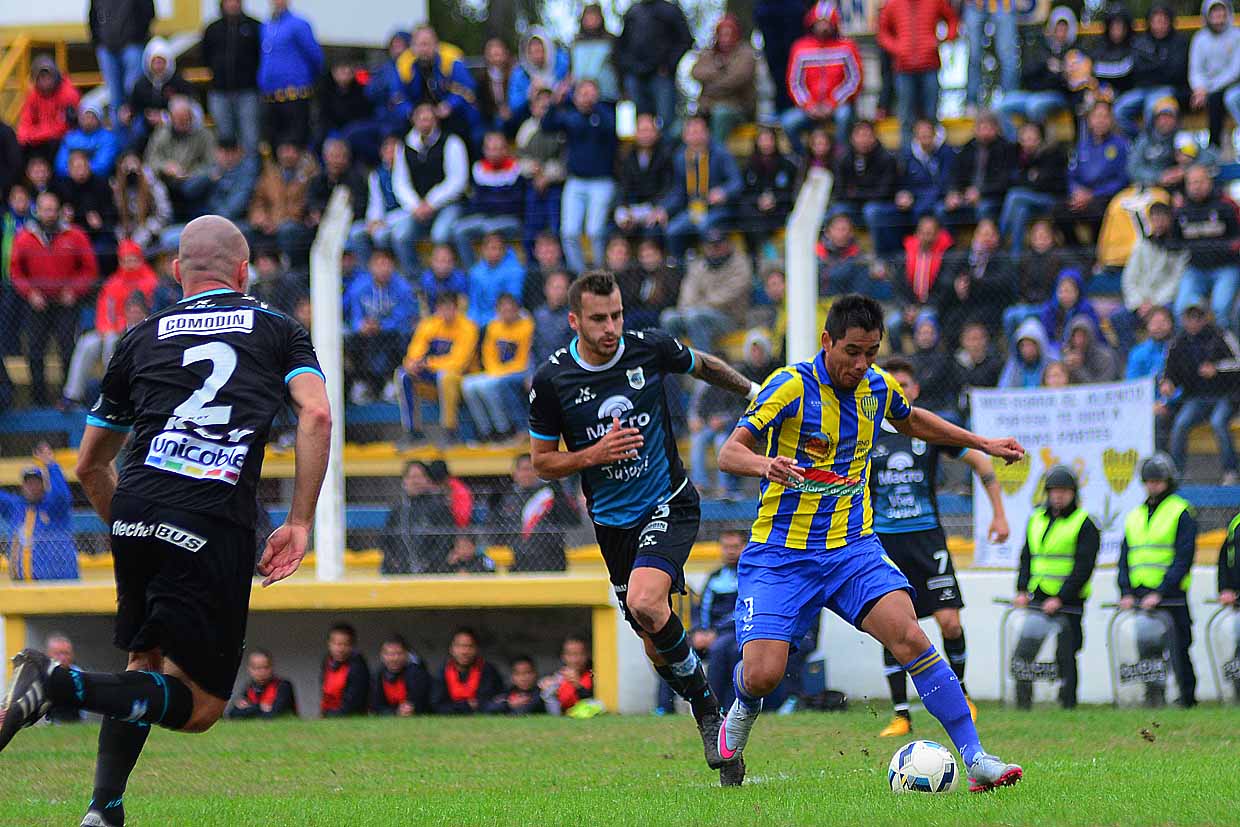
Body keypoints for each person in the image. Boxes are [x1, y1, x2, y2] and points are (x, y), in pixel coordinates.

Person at [0, 215, 331, 827]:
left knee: (144, 662)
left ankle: (103, 811)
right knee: (201, 706)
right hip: (211, 513)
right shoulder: (279, 329)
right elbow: (315, 416)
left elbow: (88, 465)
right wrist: (302, 520)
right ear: (243, 271)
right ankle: (55, 685)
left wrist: (134, 526)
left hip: (137, 505)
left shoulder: (139, 337)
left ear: (177, 273)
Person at [715, 294, 1025, 792]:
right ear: (827, 342)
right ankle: (744, 704)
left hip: (850, 550)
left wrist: (982, 443)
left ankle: (976, 758)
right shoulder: (788, 386)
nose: (861, 364)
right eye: (852, 352)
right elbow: (730, 452)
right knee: (764, 675)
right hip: (779, 554)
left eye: (871, 353)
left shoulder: (876, 388)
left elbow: (914, 419)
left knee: (913, 639)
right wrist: (764, 465)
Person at [528, 271, 760, 786]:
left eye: (616, 315)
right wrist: (593, 454)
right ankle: (710, 710)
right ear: (574, 321)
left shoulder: (648, 347)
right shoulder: (552, 380)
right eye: (598, 319)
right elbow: (542, 462)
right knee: (655, 643)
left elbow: (703, 364)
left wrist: (753, 391)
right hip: (612, 525)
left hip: (668, 502)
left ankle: (706, 715)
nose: (611, 327)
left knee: (647, 603)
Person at [871, 358, 1008, 735]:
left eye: (905, 384)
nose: (900, 390)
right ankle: (901, 713)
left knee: (949, 621)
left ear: (915, 390)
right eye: (892, 384)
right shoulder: (868, 434)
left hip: (928, 538)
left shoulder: (924, 429)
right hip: (884, 541)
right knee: (893, 624)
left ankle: (961, 694)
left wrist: (998, 513)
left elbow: (979, 460)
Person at [1012, 465, 1099, 709]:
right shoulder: (1036, 519)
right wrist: (1021, 589)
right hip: (1038, 597)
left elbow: (1084, 567)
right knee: (1024, 653)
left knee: (1066, 655)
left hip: (1068, 602)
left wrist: (1061, 598)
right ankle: (1023, 703)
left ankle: (1067, 704)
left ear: (1073, 493)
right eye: (1054, 491)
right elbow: (1027, 556)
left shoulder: (1084, 523)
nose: (1058, 496)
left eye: (1064, 491)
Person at [1118, 454, 1199, 707]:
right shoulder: (1135, 515)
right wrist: (1126, 591)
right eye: (1148, 481)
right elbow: (1125, 556)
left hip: (1170, 595)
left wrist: (1162, 592)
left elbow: (1183, 558)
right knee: (1147, 649)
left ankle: (1186, 697)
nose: (1152, 485)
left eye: (1157, 480)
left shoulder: (1180, 511)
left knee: (1179, 647)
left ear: (1168, 481)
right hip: (1142, 593)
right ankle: (1154, 694)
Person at [10, 190, 99, 406]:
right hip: (37, 304)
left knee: (68, 349)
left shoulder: (75, 235)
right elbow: (15, 270)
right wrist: (30, 292)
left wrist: (73, 290)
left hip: (66, 303)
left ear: (58, 210)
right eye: (44, 209)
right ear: (37, 210)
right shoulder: (24, 237)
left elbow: (89, 269)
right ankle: (37, 399)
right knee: (35, 352)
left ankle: (68, 398)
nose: (49, 213)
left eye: (52, 209)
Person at [63, 238, 158, 407]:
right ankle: (72, 395)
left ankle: (113, 393)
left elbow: (153, 311)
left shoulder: (151, 282)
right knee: (87, 343)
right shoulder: (113, 283)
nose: (129, 264)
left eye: (133, 259)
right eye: (126, 260)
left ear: (140, 259)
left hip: (141, 331)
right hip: (114, 329)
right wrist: (108, 328)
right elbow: (103, 313)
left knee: (112, 342)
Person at [541, 80, 618, 275]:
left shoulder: (606, 112)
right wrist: (556, 101)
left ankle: (600, 272)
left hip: (601, 182)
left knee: (594, 232)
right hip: (576, 181)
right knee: (568, 233)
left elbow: (611, 129)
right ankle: (581, 275)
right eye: (581, 93)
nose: (585, 97)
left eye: (589, 93)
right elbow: (546, 126)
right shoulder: (571, 116)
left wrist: (595, 106)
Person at [690, 331, 776, 501]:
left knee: (722, 442)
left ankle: (726, 488)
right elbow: (703, 406)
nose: (756, 354)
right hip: (714, 424)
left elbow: (738, 407)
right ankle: (700, 485)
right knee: (698, 440)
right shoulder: (712, 386)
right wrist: (706, 419)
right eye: (753, 350)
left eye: (759, 350)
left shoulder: (767, 372)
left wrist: (723, 420)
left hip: (733, 424)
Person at [1164, 302, 1240, 484]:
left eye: (1198, 317)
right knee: (1180, 424)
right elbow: (1170, 372)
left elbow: (1237, 363)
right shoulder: (1177, 343)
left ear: (1206, 318)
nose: (1193, 322)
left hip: (1225, 395)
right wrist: (1168, 383)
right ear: (1183, 320)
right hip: (1196, 397)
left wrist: (1217, 369)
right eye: (1190, 318)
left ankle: (1231, 471)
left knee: (1218, 423)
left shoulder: (1221, 335)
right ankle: (1177, 473)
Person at [390, 104, 468, 278]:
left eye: (429, 118)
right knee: (400, 235)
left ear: (436, 120)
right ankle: (417, 281)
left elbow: (457, 181)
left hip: (449, 205)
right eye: (421, 118)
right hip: (417, 208)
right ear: (414, 120)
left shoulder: (452, 142)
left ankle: (451, 281)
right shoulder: (403, 146)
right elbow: (400, 183)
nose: (425, 122)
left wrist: (431, 202)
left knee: (440, 235)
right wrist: (416, 205)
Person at [397, 291, 479, 443]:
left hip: (461, 378)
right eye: (443, 308)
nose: (447, 313)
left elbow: (459, 363)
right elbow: (415, 352)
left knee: (445, 376)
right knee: (403, 375)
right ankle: (412, 431)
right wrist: (412, 363)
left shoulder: (468, 327)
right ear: (437, 309)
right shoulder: (428, 325)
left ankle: (449, 430)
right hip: (431, 376)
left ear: (457, 308)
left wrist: (428, 363)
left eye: (450, 308)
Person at [781, 2, 862, 152]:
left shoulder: (847, 47)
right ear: (812, 24)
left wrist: (833, 102)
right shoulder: (800, 48)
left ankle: (840, 156)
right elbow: (794, 82)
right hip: (810, 107)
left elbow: (854, 80)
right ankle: (804, 157)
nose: (824, 27)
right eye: (820, 23)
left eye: (827, 23)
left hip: (838, 105)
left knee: (844, 117)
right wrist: (809, 105)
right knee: (787, 122)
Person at [877, 0, 957, 146]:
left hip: (929, 65)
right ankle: (908, 160)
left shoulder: (935, 2)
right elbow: (882, 32)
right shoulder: (893, 4)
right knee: (906, 117)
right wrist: (897, 48)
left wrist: (943, 40)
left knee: (931, 114)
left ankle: (933, 157)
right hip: (903, 68)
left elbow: (952, 20)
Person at [870, 119, 956, 254]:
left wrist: (951, 194)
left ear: (934, 134)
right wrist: (902, 194)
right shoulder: (904, 155)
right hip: (912, 203)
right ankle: (894, 257)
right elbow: (898, 183)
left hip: (937, 201)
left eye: (928, 133)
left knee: (941, 211)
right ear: (915, 136)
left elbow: (949, 181)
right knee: (879, 214)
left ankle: (947, 257)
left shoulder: (947, 153)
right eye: (921, 134)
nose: (925, 137)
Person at [343, 246, 417, 404]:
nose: (382, 269)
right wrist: (361, 325)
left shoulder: (402, 287)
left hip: (391, 332)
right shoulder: (359, 287)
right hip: (366, 333)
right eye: (378, 264)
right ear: (370, 266)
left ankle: (392, 382)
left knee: (400, 337)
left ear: (393, 266)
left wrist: (381, 325)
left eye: (386, 264)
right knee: (351, 338)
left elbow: (403, 317)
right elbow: (354, 315)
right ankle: (362, 383)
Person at [662, 115, 742, 259]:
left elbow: (736, 182)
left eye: (698, 132)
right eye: (691, 133)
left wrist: (723, 192)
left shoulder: (720, 153)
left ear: (707, 133)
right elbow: (679, 191)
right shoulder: (681, 158)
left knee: (705, 226)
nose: (695, 137)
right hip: (692, 210)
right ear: (684, 136)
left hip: (718, 209)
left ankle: (712, 268)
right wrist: (664, 209)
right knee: (672, 230)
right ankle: (682, 269)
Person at [1170, 165, 1240, 325]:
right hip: (1195, 269)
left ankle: (1227, 348)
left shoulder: (1226, 206)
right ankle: (1184, 349)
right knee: (1181, 309)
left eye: (1200, 182)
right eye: (1192, 183)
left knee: (1221, 309)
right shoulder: (1181, 211)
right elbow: (1174, 242)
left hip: (1226, 267)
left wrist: (1226, 247)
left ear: (1209, 182)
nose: (1196, 187)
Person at [660, 229, 751, 351]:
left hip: (730, 319)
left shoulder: (740, 263)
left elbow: (725, 297)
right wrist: (690, 308)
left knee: (696, 317)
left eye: (719, 244)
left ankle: (703, 366)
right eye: (711, 245)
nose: (715, 249)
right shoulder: (698, 265)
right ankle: (673, 364)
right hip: (695, 313)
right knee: (668, 317)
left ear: (727, 244)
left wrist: (698, 307)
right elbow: (687, 293)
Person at [462, 293, 533, 441]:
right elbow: (488, 355)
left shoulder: (527, 326)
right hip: (495, 371)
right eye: (503, 309)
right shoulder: (493, 327)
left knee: (489, 386)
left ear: (517, 310)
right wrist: (495, 371)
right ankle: (486, 431)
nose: (506, 313)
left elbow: (524, 358)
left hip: (519, 371)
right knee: (468, 384)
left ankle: (503, 429)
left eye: (510, 309)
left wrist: (500, 372)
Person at [1056, 101, 1129, 247]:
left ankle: (1097, 252)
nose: (1100, 121)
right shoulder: (1082, 145)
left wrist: (1093, 194)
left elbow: (1122, 179)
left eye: (1104, 116)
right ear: (1089, 120)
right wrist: (1076, 192)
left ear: (1111, 120)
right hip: (1081, 196)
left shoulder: (1121, 145)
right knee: (1059, 210)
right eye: (1097, 116)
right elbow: (1071, 175)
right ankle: (1077, 252)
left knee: (1098, 212)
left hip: (1104, 197)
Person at [614, 0, 692, 136]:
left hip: (660, 76)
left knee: (666, 121)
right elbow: (622, 45)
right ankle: (641, 156)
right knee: (638, 122)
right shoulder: (633, 12)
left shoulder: (670, 11)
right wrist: (628, 67)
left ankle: (666, 155)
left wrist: (668, 65)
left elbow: (685, 40)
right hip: (635, 75)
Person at [489, 453, 577, 572]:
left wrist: (558, 489)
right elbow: (496, 530)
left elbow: (572, 520)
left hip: (551, 560)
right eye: (523, 469)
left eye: (530, 469)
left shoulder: (550, 494)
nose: (527, 474)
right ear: (514, 473)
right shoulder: (505, 498)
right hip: (518, 562)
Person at [995, 7, 1074, 139]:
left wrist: (1060, 71)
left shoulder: (1074, 51)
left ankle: (1037, 145)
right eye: (1058, 28)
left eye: (1064, 29)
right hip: (1033, 94)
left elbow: (1069, 85)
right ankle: (1017, 144)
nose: (1060, 33)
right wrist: (1046, 66)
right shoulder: (1040, 47)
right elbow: (1026, 74)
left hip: (1057, 97)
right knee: (1002, 105)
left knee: (1035, 106)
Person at [1, 443, 75, 581]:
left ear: (44, 485)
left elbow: (61, 495)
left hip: (58, 581)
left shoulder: (54, 507)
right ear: (23, 486)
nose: (32, 487)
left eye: (37, 483)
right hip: (23, 583)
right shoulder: (15, 506)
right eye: (28, 483)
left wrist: (51, 465)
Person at [395, 25, 480, 144]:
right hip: (418, 117)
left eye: (428, 44)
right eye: (420, 44)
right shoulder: (405, 66)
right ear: (412, 47)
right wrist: (412, 112)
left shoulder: (451, 62)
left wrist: (449, 105)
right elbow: (397, 97)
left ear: (436, 45)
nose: (424, 49)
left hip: (452, 116)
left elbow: (468, 90)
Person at [1116, 4, 1189, 139]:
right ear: (1150, 22)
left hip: (1167, 89)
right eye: (1156, 21)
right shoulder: (1141, 41)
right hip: (1142, 89)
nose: (1159, 25)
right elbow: (1137, 70)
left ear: (1169, 21)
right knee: (1119, 109)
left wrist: (1152, 66)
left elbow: (1176, 72)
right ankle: (1140, 143)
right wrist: (1160, 65)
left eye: (1163, 21)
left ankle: (1151, 147)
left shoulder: (1179, 41)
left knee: (1152, 109)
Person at [257, 0, 323, 149]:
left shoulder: (299, 24)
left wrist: (303, 80)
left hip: (294, 96)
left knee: (296, 143)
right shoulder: (266, 26)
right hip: (270, 97)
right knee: (273, 144)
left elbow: (316, 58)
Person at [453, 132, 525, 268]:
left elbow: (516, 203)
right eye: (490, 149)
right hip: (484, 218)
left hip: (509, 220)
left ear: (506, 149)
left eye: (498, 148)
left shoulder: (516, 169)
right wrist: (500, 200)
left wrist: (492, 202)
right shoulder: (479, 169)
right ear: (484, 150)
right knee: (459, 230)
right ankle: (473, 271)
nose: (494, 153)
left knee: (490, 229)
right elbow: (477, 203)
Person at [202, 0, 262, 158]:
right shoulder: (212, 29)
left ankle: (248, 178)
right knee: (225, 140)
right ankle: (228, 179)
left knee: (250, 139)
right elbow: (206, 57)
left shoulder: (254, 27)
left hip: (247, 92)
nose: (233, 4)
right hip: (220, 92)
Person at [997, 122, 1068, 254]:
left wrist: (1029, 180)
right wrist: (1030, 179)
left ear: (1040, 138)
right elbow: (1010, 180)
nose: (1029, 141)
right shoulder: (1017, 155)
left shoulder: (1051, 153)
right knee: (1020, 211)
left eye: (1033, 137)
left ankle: (998, 238)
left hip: (1053, 200)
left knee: (1014, 195)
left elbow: (1046, 184)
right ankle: (1015, 257)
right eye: (1025, 138)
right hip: (1030, 202)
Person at [145, 97, 219, 219]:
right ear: (171, 118)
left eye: (186, 120)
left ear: (192, 117)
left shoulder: (204, 135)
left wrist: (190, 173)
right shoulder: (162, 133)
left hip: (193, 183)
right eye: (179, 120)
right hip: (167, 181)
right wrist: (166, 167)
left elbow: (212, 165)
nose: (182, 124)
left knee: (193, 187)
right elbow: (151, 159)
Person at [246, 141, 319, 266]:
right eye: (284, 149)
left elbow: (303, 206)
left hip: (296, 224)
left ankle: (287, 267)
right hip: (269, 223)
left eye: (291, 150)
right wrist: (260, 218)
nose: (287, 154)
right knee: (243, 230)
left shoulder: (309, 175)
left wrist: (277, 222)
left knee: (287, 230)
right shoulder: (271, 173)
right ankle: (252, 270)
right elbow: (258, 200)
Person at [937, 112, 1014, 228]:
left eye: (988, 128)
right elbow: (955, 174)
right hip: (966, 195)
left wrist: (981, 192)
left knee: (984, 208)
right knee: (941, 209)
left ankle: (987, 244)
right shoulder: (967, 147)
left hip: (993, 197)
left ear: (997, 129)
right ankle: (948, 245)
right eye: (981, 128)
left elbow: (1005, 182)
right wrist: (953, 192)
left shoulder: (1005, 149)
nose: (985, 132)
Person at [691, 14, 757, 145]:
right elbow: (696, 72)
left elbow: (736, 79)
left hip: (738, 108)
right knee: (679, 128)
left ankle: (716, 157)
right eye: (722, 34)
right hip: (707, 109)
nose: (725, 39)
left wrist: (711, 84)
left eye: (729, 34)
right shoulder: (709, 53)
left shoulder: (746, 53)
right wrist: (720, 71)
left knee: (721, 114)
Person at [379, 460, 454, 574]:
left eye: (419, 477)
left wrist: (428, 562)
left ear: (427, 480)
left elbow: (446, 540)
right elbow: (386, 540)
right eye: (411, 477)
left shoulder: (438, 507)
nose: (415, 481)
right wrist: (395, 561)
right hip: (400, 569)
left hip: (431, 571)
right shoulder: (398, 509)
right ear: (404, 481)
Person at [737, 125, 797, 258]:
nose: (766, 143)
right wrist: (758, 201)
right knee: (747, 216)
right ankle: (762, 253)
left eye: (769, 139)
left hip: (780, 210)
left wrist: (775, 200)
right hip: (756, 212)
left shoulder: (787, 165)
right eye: (762, 139)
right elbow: (745, 193)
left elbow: (792, 192)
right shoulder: (749, 166)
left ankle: (765, 254)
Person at [127, 39, 195, 153]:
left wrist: (164, 117)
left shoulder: (179, 83)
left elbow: (191, 110)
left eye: (161, 62)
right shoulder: (141, 84)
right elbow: (135, 107)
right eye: (155, 62)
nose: (158, 66)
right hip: (147, 126)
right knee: (135, 129)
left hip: (174, 125)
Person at [90, 0, 154, 118]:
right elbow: (93, 16)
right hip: (107, 48)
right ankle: (120, 135)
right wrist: (98, 42)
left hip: (132, 46)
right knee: (114, 97)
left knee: (134, 93)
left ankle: (137, 134)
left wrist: (137, 37)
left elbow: (148, 12)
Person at [1189, 0, 1240, 149]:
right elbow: (1195, 69)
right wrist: (1199, 88)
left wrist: (1208, 89)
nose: (1218, 16)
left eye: (1221, 11)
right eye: (1214, 12)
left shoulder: (1237, 36)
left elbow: (1235, 71)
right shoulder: (1199, 39)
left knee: (1224, 98)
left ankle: (1214, 147)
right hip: (1204, 90)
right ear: (1207, 15)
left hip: (1232, 85)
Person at [614, 113, 673, 240]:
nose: (646, 135)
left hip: (655, 207)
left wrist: (655, 209)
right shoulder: (627, 157)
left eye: (649, 130)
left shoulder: (666, 155)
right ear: (635, 133)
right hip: (633, 208)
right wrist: (625, 209)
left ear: (657, 133)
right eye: (642, 130)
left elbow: (668, 187)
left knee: (654, 230)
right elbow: (623, 187)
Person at [16, 57, 81, 162]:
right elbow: (24, 124)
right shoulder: (33, 95)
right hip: (41, 137)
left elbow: (65, 127)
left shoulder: (69, 94)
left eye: (48, 76)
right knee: (20, 146)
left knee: (53, 144)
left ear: (56, 76)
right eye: (41, 77)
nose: (45, 81)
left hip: (62, 139)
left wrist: (35, 135)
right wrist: (29, 137)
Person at [962, 0, 1018, 113]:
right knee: (973, 54)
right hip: (975, 4)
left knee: (1007, 56)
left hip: (1003, 4)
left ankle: (1010, 101)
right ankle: (972, 102)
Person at [432, 628, 504, 714]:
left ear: (476, 649)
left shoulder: (488, 670)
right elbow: (437, 707)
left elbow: (496, 701)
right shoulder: (442, 672)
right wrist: (465, 705)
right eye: (459, 646)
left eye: (470, 646)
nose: (464, 651)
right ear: (451, 649)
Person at [112, 150, 173, 252]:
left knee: (139, 241)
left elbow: (164, 214)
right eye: (126, 166)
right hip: (130, 227)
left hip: (152, 226)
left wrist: (148, 229)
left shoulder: (154, 185)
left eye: (133, 164)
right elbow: (118, 217)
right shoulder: (117, 187)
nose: (131, 169)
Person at [467, 232, 525, 328]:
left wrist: (495, 320)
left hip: (506, 315)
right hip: (482, 317)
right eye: (492, 248)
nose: (495, 253)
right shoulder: (475, 272)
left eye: (499, 249)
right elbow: (474, 303)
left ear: (504, 251)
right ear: (483, 250)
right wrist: (473, 320)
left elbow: (514, 300)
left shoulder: (515, 271)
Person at [509, 28, 570, 115]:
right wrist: (529, 94)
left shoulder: (562, 64)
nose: (537, 56)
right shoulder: (521, 74)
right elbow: (514, 104)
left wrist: (558, 92)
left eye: (540, 50)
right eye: (532, 52)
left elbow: (573, 92)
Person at [570, 5, 620, 109]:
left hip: (606, 96)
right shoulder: (576, 43)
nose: (591, 20)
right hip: (581, 98)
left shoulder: (610, 41)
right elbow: (572, 70)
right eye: (588, 17)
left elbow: (618, 66)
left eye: (594, 16)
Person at [54, 103, 120, 179]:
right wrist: (75, 173)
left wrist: (81, 172)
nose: (88, 121)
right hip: (70, 179)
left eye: (92, 117)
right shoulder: (70, 137)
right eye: (84, 117)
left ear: (99, 119)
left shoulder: (108, 138)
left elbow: (104, 166)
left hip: (98, 179)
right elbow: (60, 165)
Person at [370, 634, 431, 716]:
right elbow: (376, 707)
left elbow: (423, 702)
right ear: (382, 656)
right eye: (390, 654)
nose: (395, 658)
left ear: (406, 655)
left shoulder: (417, 673)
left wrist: (412, 708)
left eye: (399, 653)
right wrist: (395, 712)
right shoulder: (377, 676)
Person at [227, 649, 297, 719]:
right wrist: (260, 707)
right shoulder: (250, 688)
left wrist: (249, 709)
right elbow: (233, 713)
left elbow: (275, 714)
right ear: (250, 669)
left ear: (271, 667)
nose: (262, 672)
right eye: (257, 668)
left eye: (266, 667)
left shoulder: (283, 686)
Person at [320, 623, 369, 717]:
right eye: (336, 644)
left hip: (349, 715)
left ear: (352, 646)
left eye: (345, 645)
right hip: (330, 712)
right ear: (329, 644)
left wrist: (332, 715)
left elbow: (353, 701)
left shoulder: (358, 666)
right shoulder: (327, 662)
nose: (340, 649)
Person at [540, 635, 594, 715]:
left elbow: (595, 703)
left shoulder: (594, 675)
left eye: (580, 654)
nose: (575, 660)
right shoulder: (559, 676)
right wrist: (545, 688)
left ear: (588, 654)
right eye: (569, 655)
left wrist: (578, 686)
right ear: (563, 657)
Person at [532, 269, 573, 367]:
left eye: (562, 288)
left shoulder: (573, 316)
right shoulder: (538, 314)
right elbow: (532, 348)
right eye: (555, 288)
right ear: (546, 289)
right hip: (540, 367)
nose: (559, 292)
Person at [44, 634, 86, 723]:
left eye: (66, 653)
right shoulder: (43, 675)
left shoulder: (78, 674)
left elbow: (84, 700)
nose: (63, 658)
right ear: (48, 655)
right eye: (58, 654)